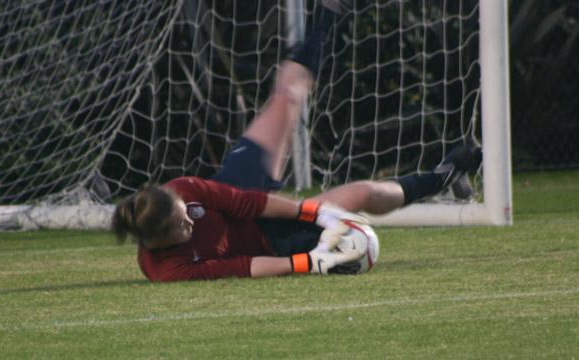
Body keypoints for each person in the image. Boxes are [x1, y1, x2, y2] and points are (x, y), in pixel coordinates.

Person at [111, 1, 481, 282]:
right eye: (182, 227)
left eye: (185, 214)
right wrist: (305, 263)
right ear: (155, 241)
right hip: (270, 242)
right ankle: (443, 177)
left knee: (287, 94)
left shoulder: (183, 189)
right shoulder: (166, 268)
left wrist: (315, 211)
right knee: (362, 195)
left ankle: (327, 13)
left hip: (242, 194)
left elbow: (244, 201)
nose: (190, 222)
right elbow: (241, 266)